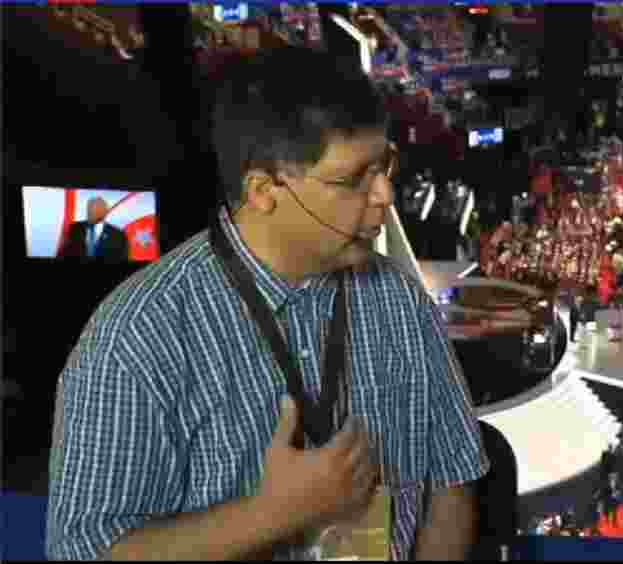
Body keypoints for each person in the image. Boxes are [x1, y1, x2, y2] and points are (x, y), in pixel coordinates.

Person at [47, 48, 488, 561]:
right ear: (263, 190)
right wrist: (274, 514)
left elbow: (452, 480)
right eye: (353, 179)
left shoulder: (401, 301)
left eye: (384, 164)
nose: (385, 194)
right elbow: (85, 553)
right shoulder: (136, 339)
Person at [57, 197, 130, 260]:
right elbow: (64, 252)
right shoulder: (75, 228)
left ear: (105, 212)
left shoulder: (118, 235)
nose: (91, 211)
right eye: (90, 208)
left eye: (97, 208)